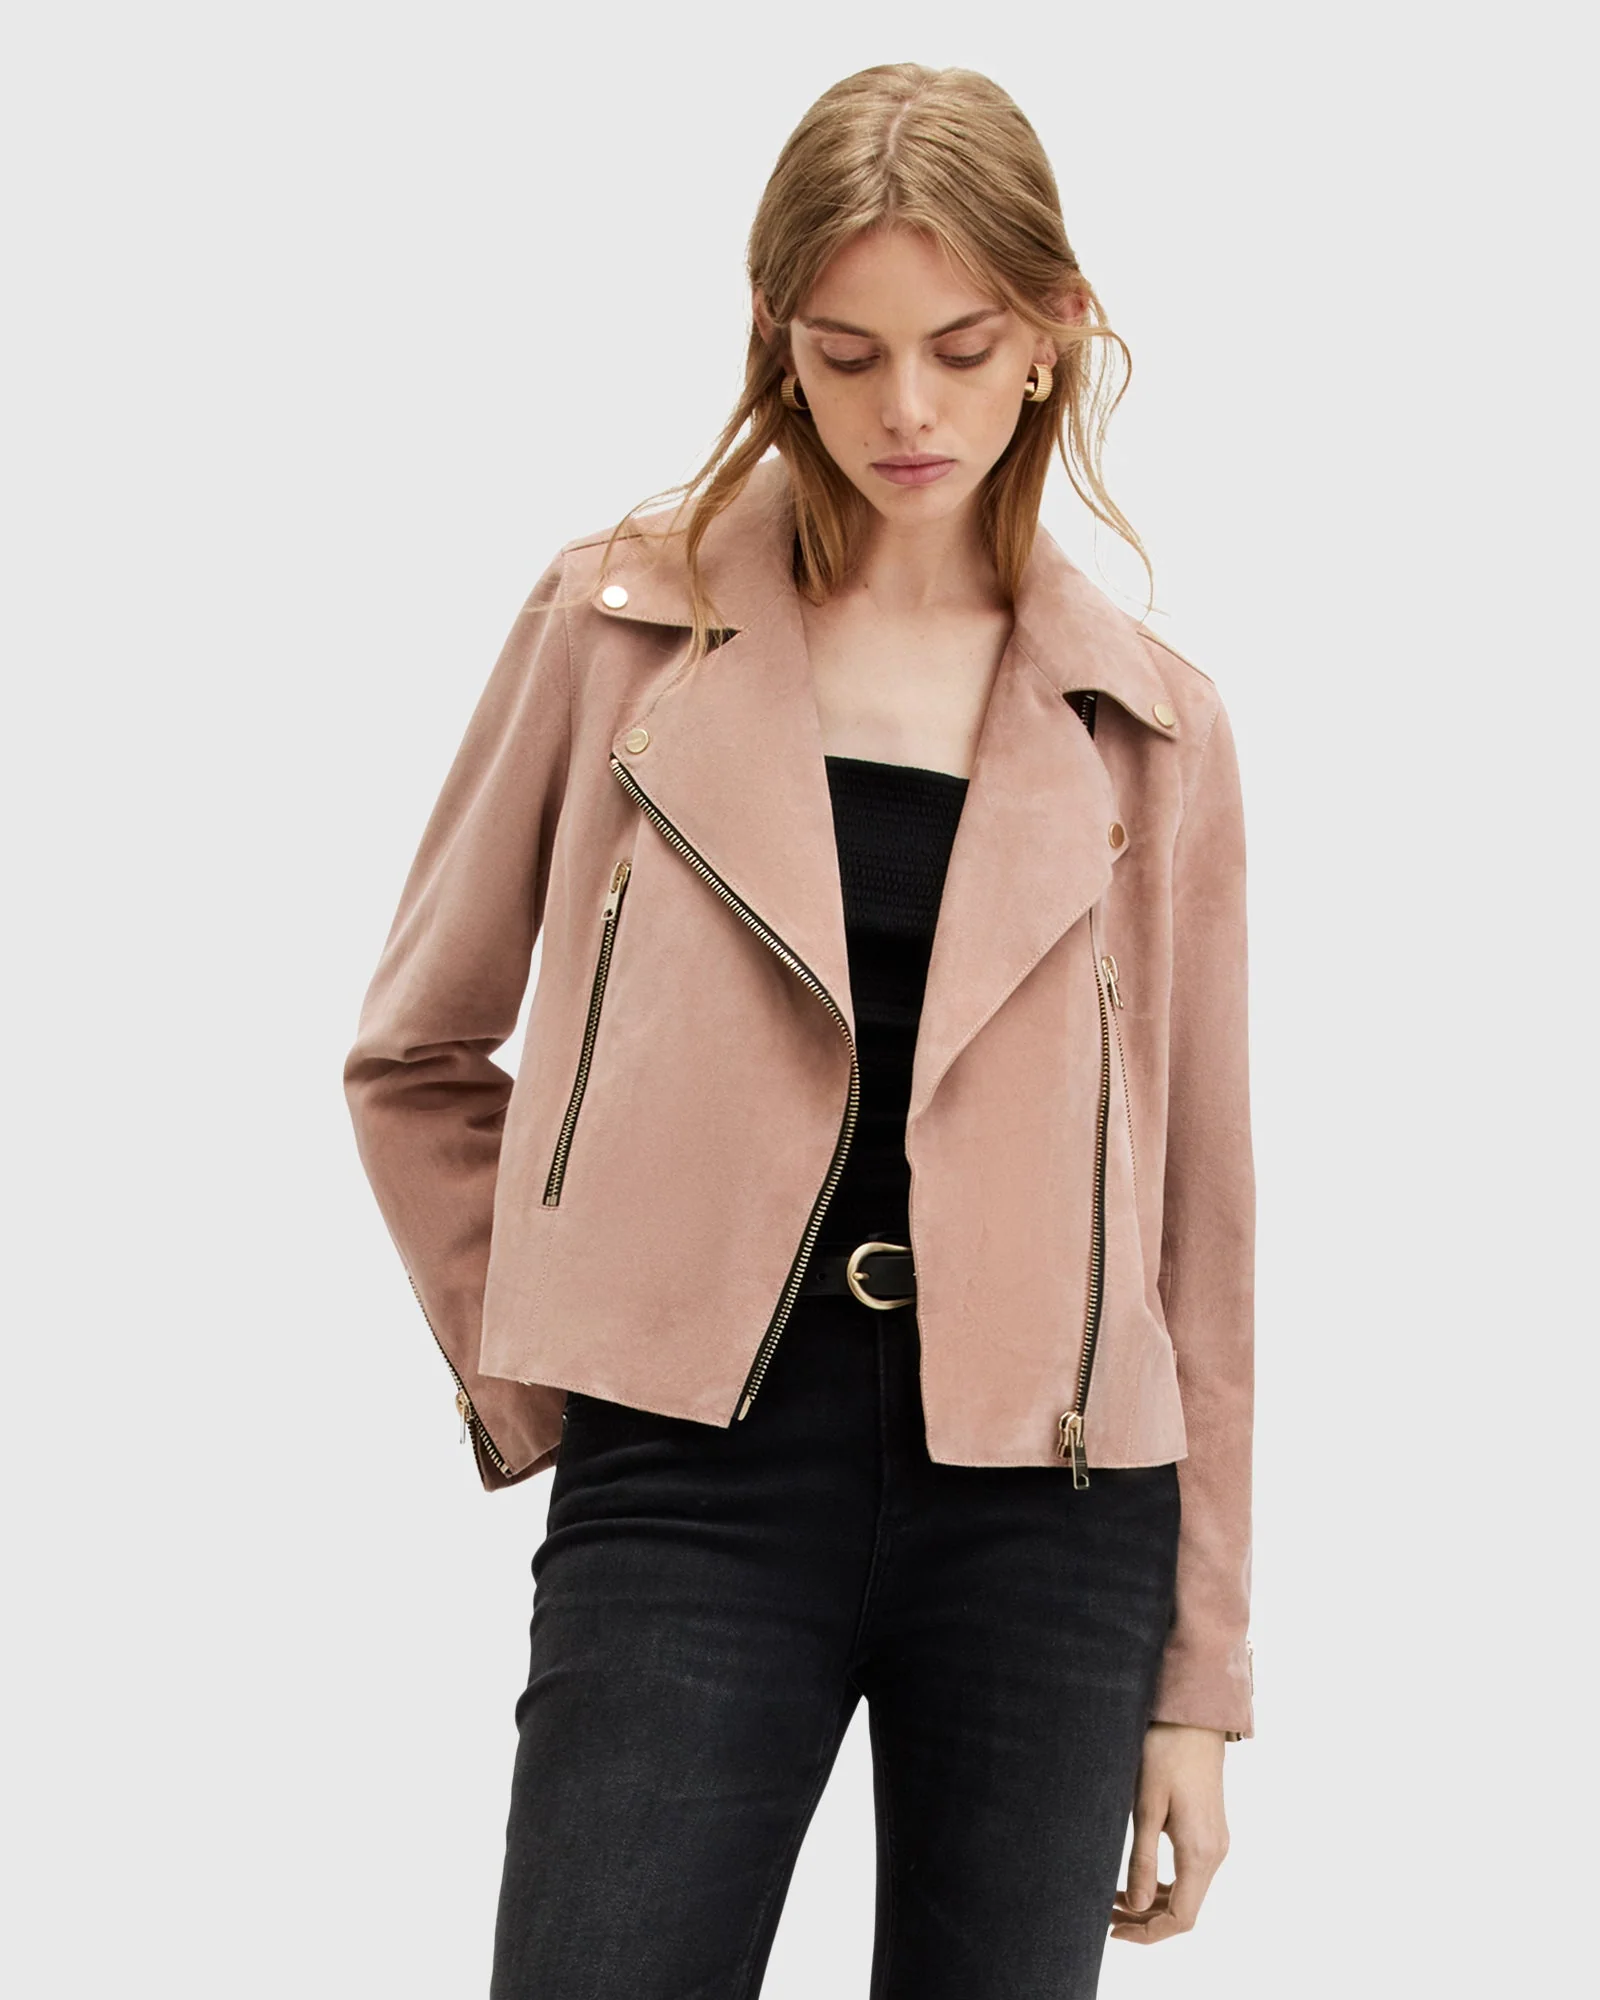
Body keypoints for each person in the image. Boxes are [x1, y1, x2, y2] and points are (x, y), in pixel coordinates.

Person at [344, 60, 1255, 2000]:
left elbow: (1196, 1229)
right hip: (694, 1476)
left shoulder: (1147, 726)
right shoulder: (615, 629)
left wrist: (1200, 1675)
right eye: (847, 355)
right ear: (775, 338)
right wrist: (567, 1359)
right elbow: (413, 1055)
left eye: (959, 347)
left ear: (1054, 330)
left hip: (1054, 1509)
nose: (905, 407)